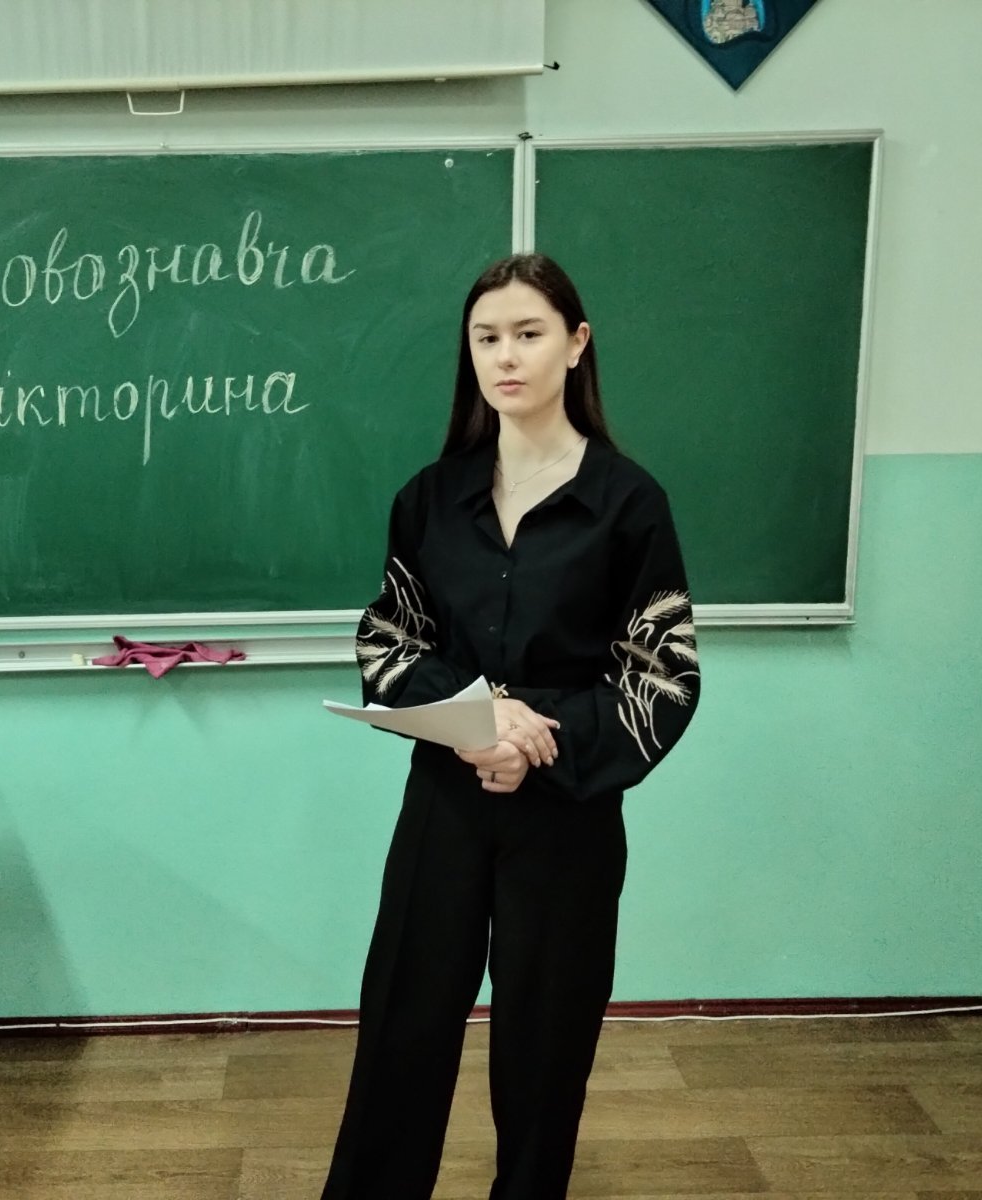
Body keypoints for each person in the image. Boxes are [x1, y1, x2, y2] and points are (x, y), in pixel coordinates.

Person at [321, 253, 701, 1199]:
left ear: (575, 344)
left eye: (529, 334)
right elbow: (388, 639)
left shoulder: (629, 503)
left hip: (567, 817)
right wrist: (480, 718)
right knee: (404, 1021)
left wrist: (535, 738)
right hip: (446, 801)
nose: (506, 356)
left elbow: (662, 676)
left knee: (545, 1043)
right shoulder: (428, 499)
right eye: (486, 337)